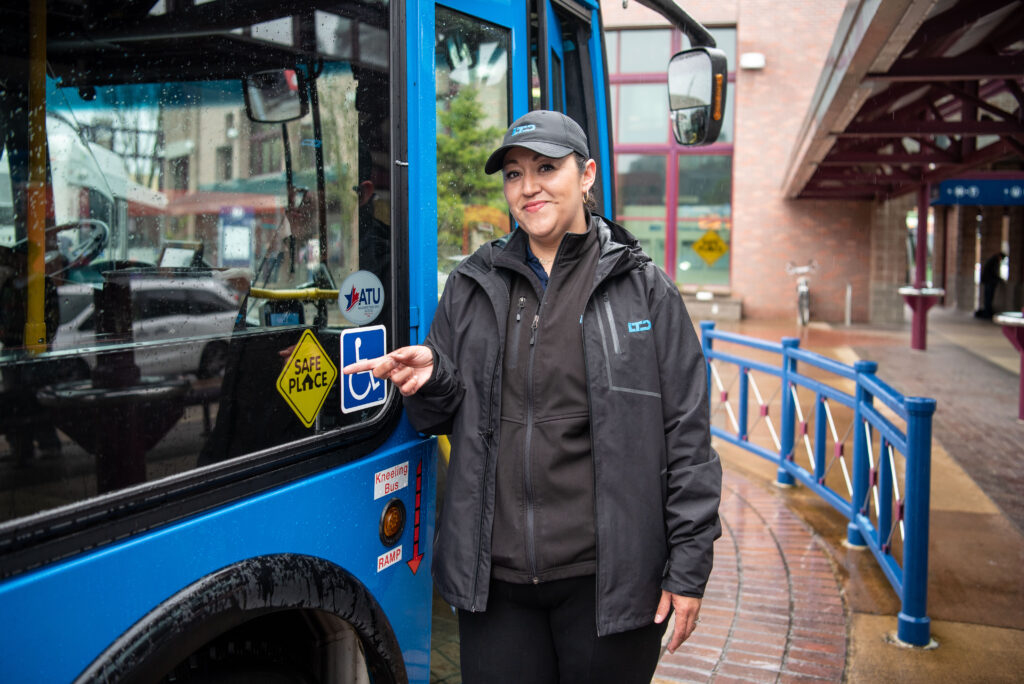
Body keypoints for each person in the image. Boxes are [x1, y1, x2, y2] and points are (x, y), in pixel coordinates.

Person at [344, 110, 721, 683]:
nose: (529, 187)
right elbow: (440, 417)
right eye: (515, 174)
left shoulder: (644, 289)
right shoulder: (473, 284)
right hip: (497, 587)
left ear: (587, 174)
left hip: (608, 584)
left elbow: (688, 437)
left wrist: (688, 568)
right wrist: (432, 377)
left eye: (548, 168)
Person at [977, 251, 1006, 319]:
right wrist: (999, 279)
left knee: (988, 298)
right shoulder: (994, 261)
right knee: (988, 298)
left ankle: (987, 312)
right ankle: (987, 313)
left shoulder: (993, 260)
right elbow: (993, 272)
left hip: (989, 281)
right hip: (989, 282)